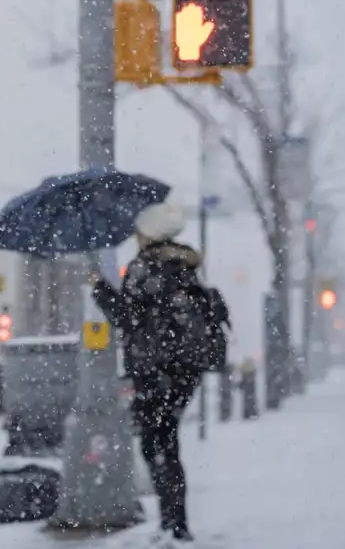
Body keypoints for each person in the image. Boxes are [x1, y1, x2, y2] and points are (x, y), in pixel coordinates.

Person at [92, 201, 216, 546]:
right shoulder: (183, 264)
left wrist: (101, 290)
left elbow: (130, 319)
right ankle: (176, 522)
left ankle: (173, 524)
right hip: (183, 369)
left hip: (154, 369)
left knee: (156, 445)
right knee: (168, 442)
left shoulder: (145, 266)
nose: (137, 238)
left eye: (140, 232)